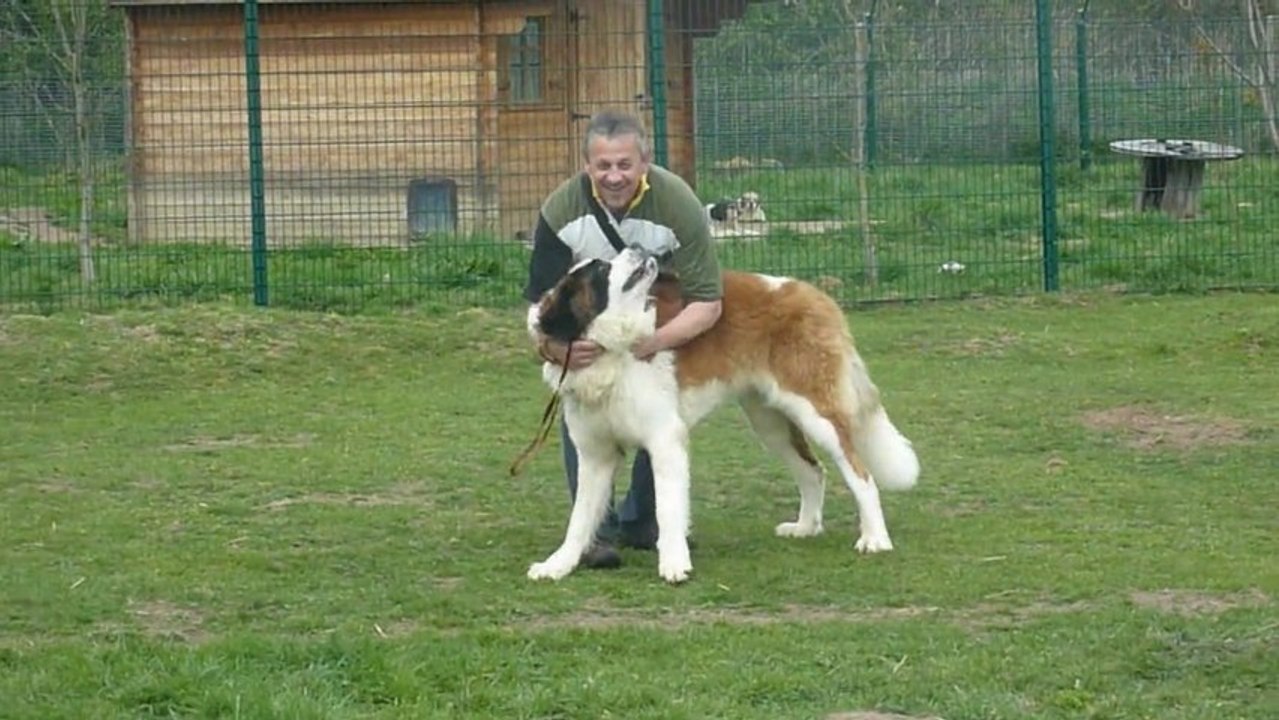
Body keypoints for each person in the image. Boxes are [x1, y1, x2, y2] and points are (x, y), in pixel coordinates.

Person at [522, 109, 724, 569]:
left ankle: (646, 519)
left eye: (624, 165)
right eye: (603, 166)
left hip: (663, 314)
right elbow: (540, 307)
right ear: (586, 167)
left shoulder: (678, 204)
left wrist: (654, 342)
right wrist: (556, 350)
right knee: (586, 407)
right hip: (592, 326)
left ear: (645, 163)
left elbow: (709, 302)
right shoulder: (560, 211)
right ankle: (595, 534)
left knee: (658, 416)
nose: (614, 176)